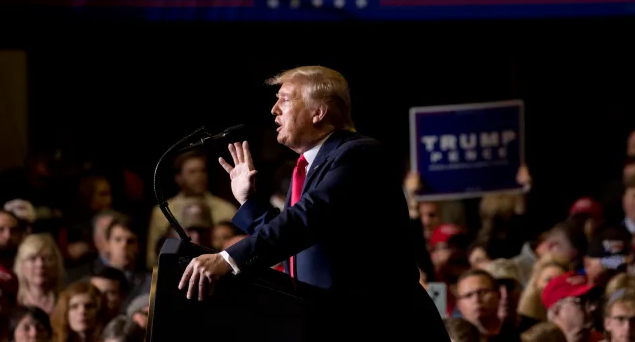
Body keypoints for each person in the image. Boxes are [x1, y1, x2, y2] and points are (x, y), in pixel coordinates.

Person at [177, 65, 448, 338]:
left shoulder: (359, 154)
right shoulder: (313, 168)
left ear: (318, 112)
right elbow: (296, 240)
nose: (274, 110)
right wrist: (248, 200)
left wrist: (229, 258)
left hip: (386, 324)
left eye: (284, 99)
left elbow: (306, 218)